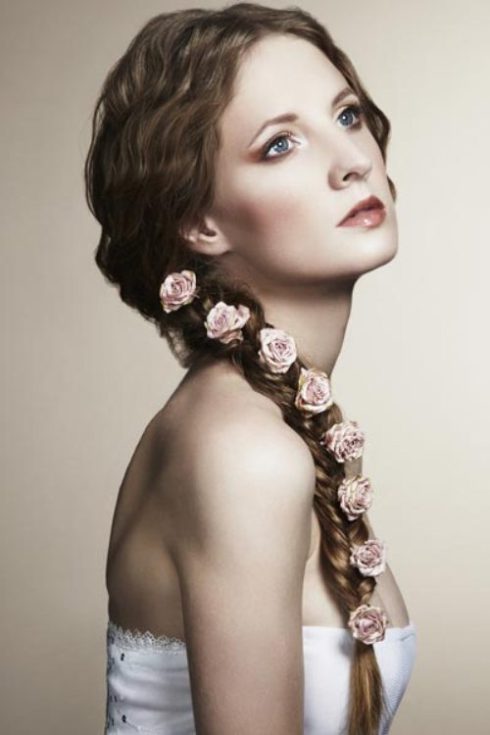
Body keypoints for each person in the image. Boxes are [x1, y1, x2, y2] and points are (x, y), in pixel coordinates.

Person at [85, 3, 417, 734]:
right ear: (200, 221)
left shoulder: (262, 419)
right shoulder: (243, 449)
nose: (351, 159)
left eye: (348, 114)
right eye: (279, 145)